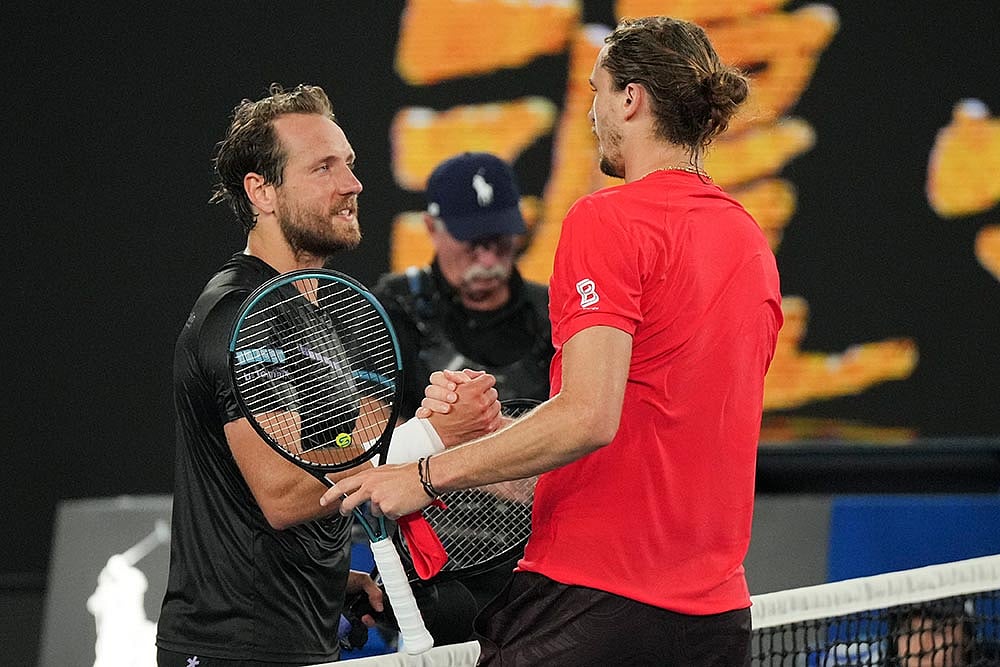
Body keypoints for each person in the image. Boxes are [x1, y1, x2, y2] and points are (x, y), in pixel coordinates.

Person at [323, 15, 783, 666]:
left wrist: (424, 474)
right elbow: (652, 427)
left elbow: (589, 417)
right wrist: (493, 433)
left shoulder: (607, 219)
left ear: (631, 99)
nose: (591, 112)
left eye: (597, 91)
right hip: (714, 620)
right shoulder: (749, 243)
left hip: (592, 604)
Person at [156, 83, 501, 667]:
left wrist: (335, 579)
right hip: (230, 651)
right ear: (262, 192)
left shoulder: (337, 311)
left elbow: (350, 454)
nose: (353, 184)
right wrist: (433, 435)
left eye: (349, 163)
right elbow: (284, 494)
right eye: (324, 168)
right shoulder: (239, 314)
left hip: (305, 638)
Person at [370, 151, 554, 632]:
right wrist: (511, 454)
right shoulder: (392, 310)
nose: (488, 259)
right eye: (472, 242)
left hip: (539, 569)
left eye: (500, 240)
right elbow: (371, 448)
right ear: (432, 228)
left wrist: (453, 440)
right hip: (431, 571)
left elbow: (580, 447)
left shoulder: (557, 315)